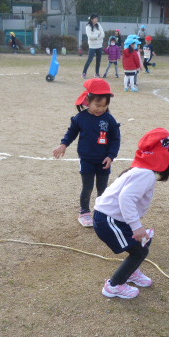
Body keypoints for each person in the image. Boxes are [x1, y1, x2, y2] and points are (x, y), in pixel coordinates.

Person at [93, 127, 169, 299]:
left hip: (116, 219)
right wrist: (136, 226)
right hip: (108, 220)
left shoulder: (143, 171)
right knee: (140, 252)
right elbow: (126, 199)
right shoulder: (145, 174)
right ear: (162, 154)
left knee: (143, 242)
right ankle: (114, 286)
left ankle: (131, 272)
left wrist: (138, 228)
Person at [53, 79, 121, 227]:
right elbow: (71, 133)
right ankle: (84, 212)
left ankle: (101, 212)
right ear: (88, 100)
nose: (100, 109)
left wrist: (111, 156)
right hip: (87, 159)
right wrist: (63, 145)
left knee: (103, 188)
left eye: (104, 106)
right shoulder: (80, 118)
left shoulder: (109, 120)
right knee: (88, 186)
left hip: (104, 160)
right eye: (97, 105)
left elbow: (116, 139)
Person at [82, 14, 105, 79]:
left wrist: (96, 36)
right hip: (92, 46)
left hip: (99, 46)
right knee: (89, 59)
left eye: (97, 18)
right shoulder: (88, 26)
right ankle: (84, 73)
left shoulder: (98, 25)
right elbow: (90, 36)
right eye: (95, 18)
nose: (97, 20)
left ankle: (97, 73)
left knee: (98, 60)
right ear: (92, 19)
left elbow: (103, 34)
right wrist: (97, 35)